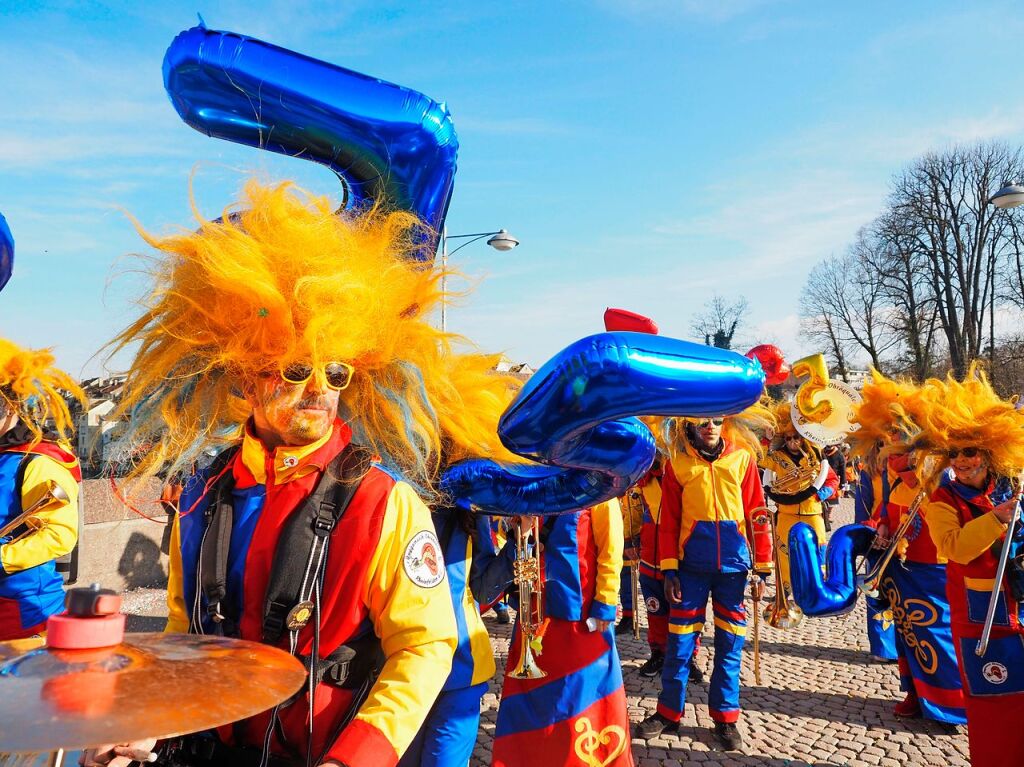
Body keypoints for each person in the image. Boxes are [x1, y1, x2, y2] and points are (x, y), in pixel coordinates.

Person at [82, 181, 491, 767]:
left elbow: (423, 644)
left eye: (338, 371)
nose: (322, 387)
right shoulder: (203, 492)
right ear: (246, 379)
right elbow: (184, 625)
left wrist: (356, 759)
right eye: (298, 368)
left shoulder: (385, 502)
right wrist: (149, 725)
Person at [636, 410, 773, 751]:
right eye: (702, 421)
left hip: (734, 570)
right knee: (679, 646)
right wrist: (669, 570)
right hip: (690, 570)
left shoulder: (742, 459)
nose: (710, 426)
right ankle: (669, 711)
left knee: (730, 645)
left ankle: (725, 718)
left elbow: (757, 512)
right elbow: (669, 521)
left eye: (716, 420)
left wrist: (763, 568)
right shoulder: (677, 465)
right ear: (689, 426)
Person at [916, 366, 1024, 767]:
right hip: (981, 622)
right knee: (996, 709)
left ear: (990, 453)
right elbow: (955, 548)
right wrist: (996, 518)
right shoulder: (942, 499)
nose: (959, 461)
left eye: (969, 451)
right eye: (953, 453)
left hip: (1020, 608)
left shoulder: (1013, 486)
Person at [849, 372, 964, 726]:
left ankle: (951, 703)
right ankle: (914, 692)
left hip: (935, 571)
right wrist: (883, 525)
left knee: (938, 635)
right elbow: (887, 508)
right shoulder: (896, 475)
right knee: (906, 635)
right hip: (901, 570)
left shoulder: (943, 479)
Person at [490, 501, 633, 767]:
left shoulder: (599, 486)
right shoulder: (532, 485)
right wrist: (514, 525)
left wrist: (605, 602)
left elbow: (611, 547)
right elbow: (502, 531)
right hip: (535, 613)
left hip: (581, 616)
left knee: (580, 696)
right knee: (533, 702)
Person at [0, 338, 82, 641]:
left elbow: (58, 536)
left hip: (22, 612)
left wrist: (2, 556)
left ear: (13, 407)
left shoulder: (39, 462)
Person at [761, 403, 838, 612]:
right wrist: (768, 438)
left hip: (812, 511)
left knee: (818, 550)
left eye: (796, 437)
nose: (793, 442)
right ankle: (784, 592)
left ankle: (816, 589)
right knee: (783, 551)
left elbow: (832, 481)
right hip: (786, 513)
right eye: (788, 438)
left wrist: (818, 494)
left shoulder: (816, 457)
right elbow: (761, 459)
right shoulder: (777, 457)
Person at [821, 444, 846, 531]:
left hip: (834, 479)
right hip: (822, 478)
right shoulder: (821, 451)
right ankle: (823, 513)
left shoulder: (839, 454)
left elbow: (843, 469)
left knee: (833, 499)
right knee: (823, 498)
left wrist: (843, 483)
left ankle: (829, 514)